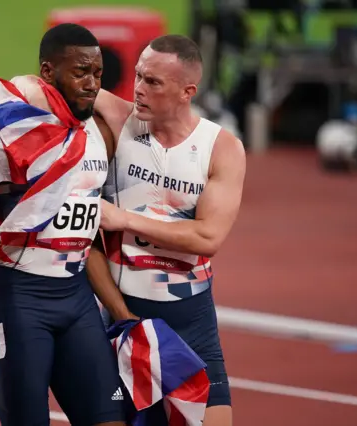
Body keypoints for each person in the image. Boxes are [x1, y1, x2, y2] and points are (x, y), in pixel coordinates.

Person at [0, 23, 127, 426]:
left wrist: (119, 311)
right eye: (80, 72)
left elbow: (89, 230)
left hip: (77, 299)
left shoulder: (101, 134)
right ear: (48, 72)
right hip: (19, 298)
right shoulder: (10, 133)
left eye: (97, 74)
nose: (92, 83)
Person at [92, 35, 245, 426]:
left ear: (186, 91)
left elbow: (208, 238)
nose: (139, 89)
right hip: (123, 316)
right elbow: (44, 85)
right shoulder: (118, 117)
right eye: (139, 76)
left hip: (190, 320)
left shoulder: (221, 148)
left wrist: (123, 218)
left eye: (154, 82)